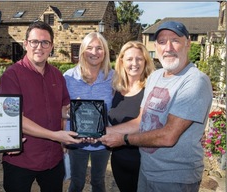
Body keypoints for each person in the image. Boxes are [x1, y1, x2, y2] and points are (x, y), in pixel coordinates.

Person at [99, 21, 213, 192]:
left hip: (175, 178)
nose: (168, 47)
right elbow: (140, 121)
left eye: (175, 40)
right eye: (161, 42)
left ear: (188, 43)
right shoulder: (156, 77)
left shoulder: (195, 81)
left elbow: (168, 136)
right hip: (147, 170)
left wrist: (123, 139)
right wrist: (102, 132)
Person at [0, 21, 82, 192]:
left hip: (52, 158)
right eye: (34, 42)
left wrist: (81, 112)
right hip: (21, 159)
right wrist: (55, 135)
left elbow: (61, 110)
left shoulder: (57, 75)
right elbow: (15, 119)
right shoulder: (11, 76)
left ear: (51, 46)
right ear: (25, 44)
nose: (39, 47)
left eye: (45, 42)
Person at [63, 32, 114, 192]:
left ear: (105, 52)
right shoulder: (68, 77)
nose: (94, 52)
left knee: (98, 182)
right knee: (77, 182)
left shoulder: (113, 77)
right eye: (90, 48)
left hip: (102, 142)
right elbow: (61, 110)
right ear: (83, 51)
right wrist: (69, 112)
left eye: (99, 48)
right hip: (77, 141)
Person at [108, 41, 154, 192]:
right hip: (119, 160)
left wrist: (103, 132)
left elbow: (140, 122)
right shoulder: (115, 88)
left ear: (145, 61)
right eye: (129, 59)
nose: (134, 63)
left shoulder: (151, 88)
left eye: (139, 59)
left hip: (143, 163)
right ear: (121, 61)